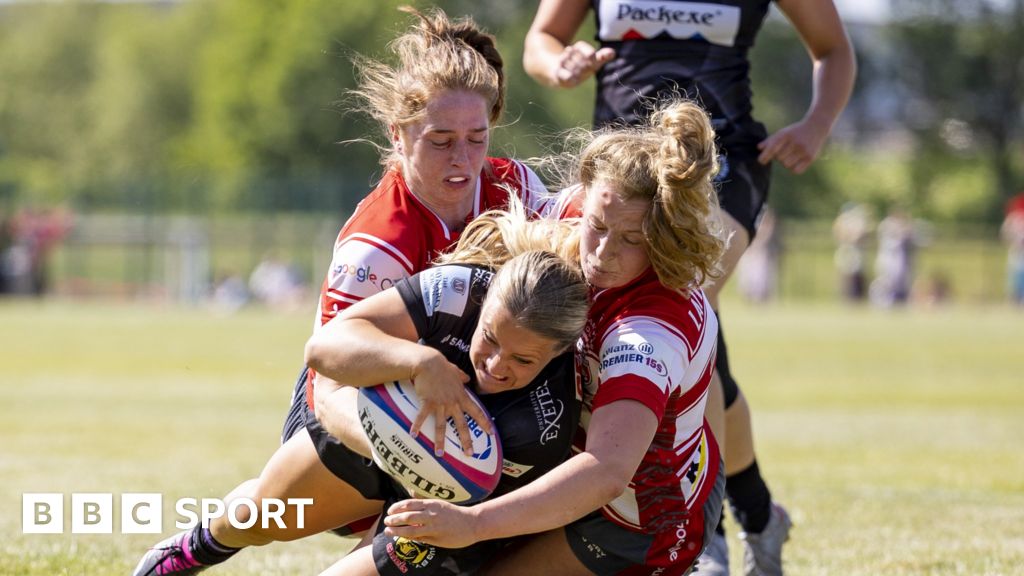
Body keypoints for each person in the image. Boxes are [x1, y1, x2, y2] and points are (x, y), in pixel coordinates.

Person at [131, 7, 553, 575]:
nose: (462, 159)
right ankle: (199, 544)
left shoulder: (518, 188)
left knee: (419, 552)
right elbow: (328, 379)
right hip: (356, 408)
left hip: (470, 397)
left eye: (477, 138)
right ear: (397, 134)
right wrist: (407, 441)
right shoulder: (378, 244)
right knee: (260, 518)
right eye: (441, 140)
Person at [523, 2, 856, 573]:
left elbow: (834, 50)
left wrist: (817, 125)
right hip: (624, 174)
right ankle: (755, 513)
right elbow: (541, 40)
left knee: (688, 292)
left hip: (721, 166)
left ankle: (708, 536)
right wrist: (560, 65)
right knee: (697, 336)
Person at [376, 100, 726, 576]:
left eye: (632, 240)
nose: (602, 252)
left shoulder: (647, 331)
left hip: (634, 516)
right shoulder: (586, 208)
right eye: (597, 228)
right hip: (555, 468)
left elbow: (606, 470)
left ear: (663, 238)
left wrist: (474, 523)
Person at [310, 209, 588, 576]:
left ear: (559, 352)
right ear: (484, 301)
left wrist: (417, 458)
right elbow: (323, 349)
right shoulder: (459, 290)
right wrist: (420, 362)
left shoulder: (545, 424)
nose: (496, 365)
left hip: (452, 506)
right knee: (256, 516)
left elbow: (470, 511)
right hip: (379, 425)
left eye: (522, 359)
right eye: (489, 339)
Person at [1001, 192, 1024, 306]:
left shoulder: (1013, 217)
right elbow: (1005, 234)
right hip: (1017, 251)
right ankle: (1016, 299)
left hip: (1017, 250)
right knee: (1016, 275)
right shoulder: (1014, 217)